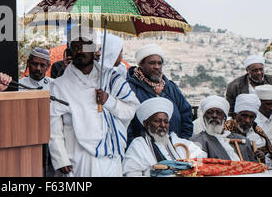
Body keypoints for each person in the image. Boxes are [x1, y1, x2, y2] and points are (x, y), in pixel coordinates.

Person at [48, 31, 140, 177]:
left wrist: (108, 101)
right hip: (78, 156)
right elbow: (53, 125)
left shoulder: (111, 78)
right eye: (75, 47)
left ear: (93, 49)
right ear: (70, 50)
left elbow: (131, 109)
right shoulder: (59, 85)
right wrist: (60, 159)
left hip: (110, 155)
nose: (80, 51)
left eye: (84, 46)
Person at [126, 43, 193, 143]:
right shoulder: (130, 88)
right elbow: (127, 122)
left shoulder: (170, 87)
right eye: (152, 63)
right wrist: (135, 146)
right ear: (141, 64)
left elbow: (186, 114)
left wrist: (182, 142)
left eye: (159, 63)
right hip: (144, 150)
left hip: (174, 148)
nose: (157, 67)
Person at [123, 97, 206, 177]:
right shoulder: (139, 145)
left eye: (166, 122)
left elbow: (201, 156)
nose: (163, 125)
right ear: (146, 123)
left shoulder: (176, 141)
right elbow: (130, 173)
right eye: (157, 121)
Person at [190, 95, 256, 162]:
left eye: (219, 113)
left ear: (225, 118)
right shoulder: (198, 141)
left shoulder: (243, 140)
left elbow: (254, 165)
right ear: (204, 117)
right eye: (210, 112)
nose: (214, 116)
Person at [224, 93, 272, 163]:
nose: (247, 120)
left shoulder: (259, 132)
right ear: (235, 115)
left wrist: (262, 158)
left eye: (251, 117)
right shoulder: (224, 130)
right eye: (244, 116)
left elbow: (269, 158)